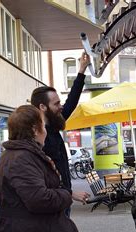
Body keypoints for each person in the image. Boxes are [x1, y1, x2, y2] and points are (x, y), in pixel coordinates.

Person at [30, 52, 91, 210]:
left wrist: (81, 71)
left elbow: (71, 101)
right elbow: (44, 178)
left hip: (62, 200)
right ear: (43, 107)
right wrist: (70, 193)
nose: (61, 106)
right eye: (56, 104)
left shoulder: (54, 123)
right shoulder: (37, 137)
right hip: (54, 203)